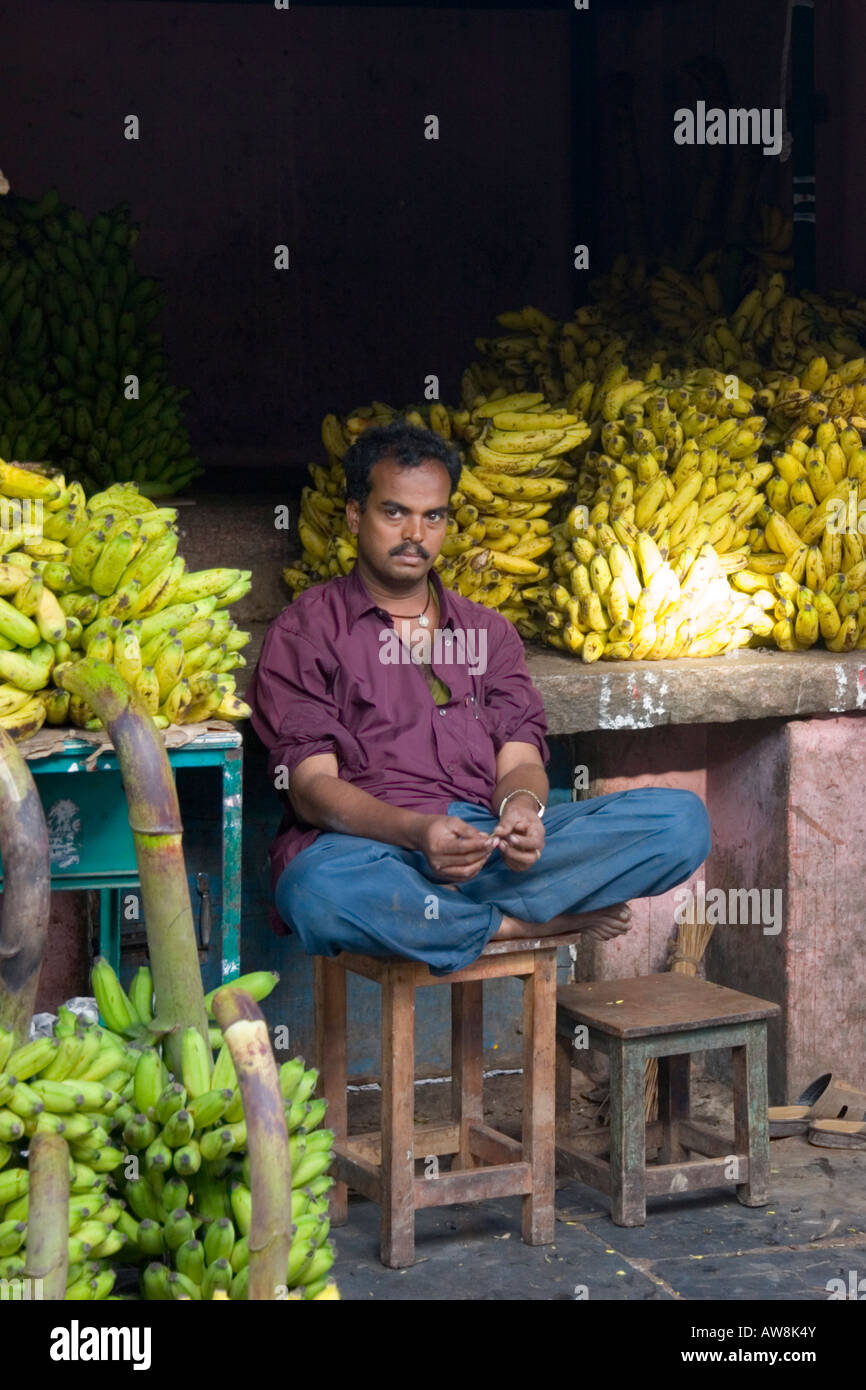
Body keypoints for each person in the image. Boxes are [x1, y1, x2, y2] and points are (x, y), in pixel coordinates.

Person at [247, 421, 711, 977]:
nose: (415, 533)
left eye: (433, 516)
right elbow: (311, 790)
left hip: (481, 847)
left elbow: (519, 758)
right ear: (354, 515)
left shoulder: (487, 632)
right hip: (371, 850)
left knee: (681, 823)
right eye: (394, 512)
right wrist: (417, 833)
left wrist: (522, 811)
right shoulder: (307, 629)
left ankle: (459, 915)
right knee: (313, 892)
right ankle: (527, 924)